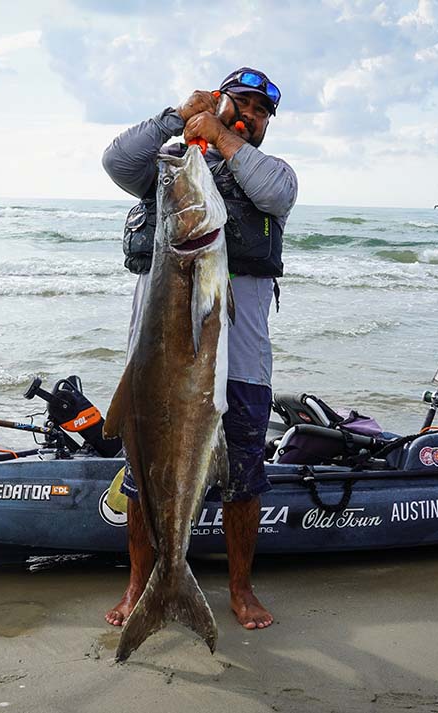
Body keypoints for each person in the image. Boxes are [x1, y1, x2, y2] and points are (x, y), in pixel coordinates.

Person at [101, 67, 297, 630]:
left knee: (242, 479)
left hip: (242, 365)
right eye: (242, 104)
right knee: (144, 475)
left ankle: (240, 589)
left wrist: (224, 134)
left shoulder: (271, 174)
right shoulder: (173, 171)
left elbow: (276, 192)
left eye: (262, 112)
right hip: (157, 362)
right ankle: (143, 582)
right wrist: (179, 117)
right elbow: (117, 162)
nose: (252, 116)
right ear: (218, 100)